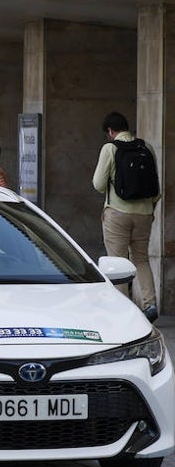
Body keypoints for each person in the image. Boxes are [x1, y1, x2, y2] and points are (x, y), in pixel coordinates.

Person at [93, 111, 160, 322]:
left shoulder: (110, 148)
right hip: (144, 214)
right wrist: (150, 210)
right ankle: (150, 304)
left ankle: (123, 309)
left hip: (117, 214)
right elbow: (155, 188)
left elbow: (98, 184)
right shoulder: (146, 148)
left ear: (110, 131)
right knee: (141, 259)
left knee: (117, 263)